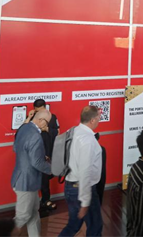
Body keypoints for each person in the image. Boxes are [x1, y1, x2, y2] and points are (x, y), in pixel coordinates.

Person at [58, 106, 103, 237]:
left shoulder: (72, 131)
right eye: (99, 118)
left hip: (70, 186)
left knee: (73, 225)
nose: (99, 121)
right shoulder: (88, 140)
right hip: (82, 189)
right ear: (93, 120)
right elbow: (85, 171)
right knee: (95, 226)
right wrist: (85, 201)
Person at [11, 109, 52, 237]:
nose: (47, 126)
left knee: (33, 213)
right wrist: (53, 169)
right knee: (23, 216)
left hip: (25, 179)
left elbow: (16, 148)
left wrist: (39, 156)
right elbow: (37, 163)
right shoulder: (35, 136)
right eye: (47, 122)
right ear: (41, 120)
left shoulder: (24, 128)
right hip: (26, 182)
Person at [24, 99, 60, 212]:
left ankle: (45, 200)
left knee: (45, 178)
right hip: (33, 152)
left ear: (45, 108)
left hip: (46, 152)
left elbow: (58, 132)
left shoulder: (52, 117)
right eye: (36, 111)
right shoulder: (32, 117)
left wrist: (47, 129)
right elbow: (23, 131)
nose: (38, 113)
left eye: (40, 110)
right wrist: (29, 117)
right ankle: (29, 202)